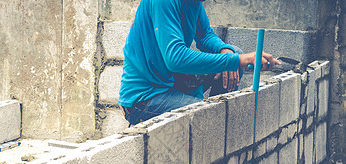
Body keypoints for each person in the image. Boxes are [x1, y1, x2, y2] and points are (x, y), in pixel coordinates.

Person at [119, 0, 280, 125]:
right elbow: (175, 57)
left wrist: (227, 51)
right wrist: (234, 60)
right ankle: (214, 120)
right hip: (145, 97)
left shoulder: (194, 3)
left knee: (234, 53)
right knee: (208, 116)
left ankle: (218, 113)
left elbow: (204, 35)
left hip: (172, 82)